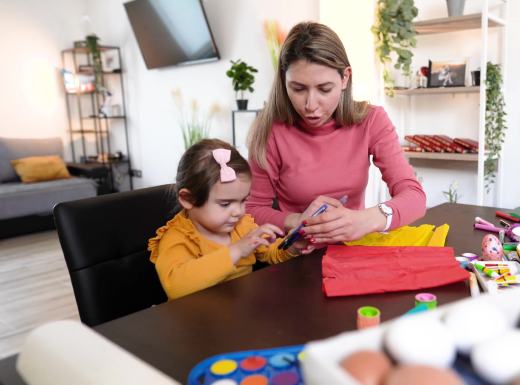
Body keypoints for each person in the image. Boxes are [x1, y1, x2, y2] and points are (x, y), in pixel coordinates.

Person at [246, 22, 426, 245]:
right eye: (298, 88)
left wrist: (366, 220)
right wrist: (296, 220)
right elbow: (252, 210)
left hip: (353, 251)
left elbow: (414, 197)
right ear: (284, 81)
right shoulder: (270, 131)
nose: (310, 105)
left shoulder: (371, 121)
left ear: (345, 78)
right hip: (296, 257)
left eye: (324, 89)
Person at [148, 139, 314, 300]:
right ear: (188, 199)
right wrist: (236, 250)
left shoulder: (241, 226)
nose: (238, 212)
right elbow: (176, 287)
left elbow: (271, 253)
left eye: (243, 200)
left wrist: (291, 246)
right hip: (195, 323)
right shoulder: (177, 238)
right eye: (225, 204)